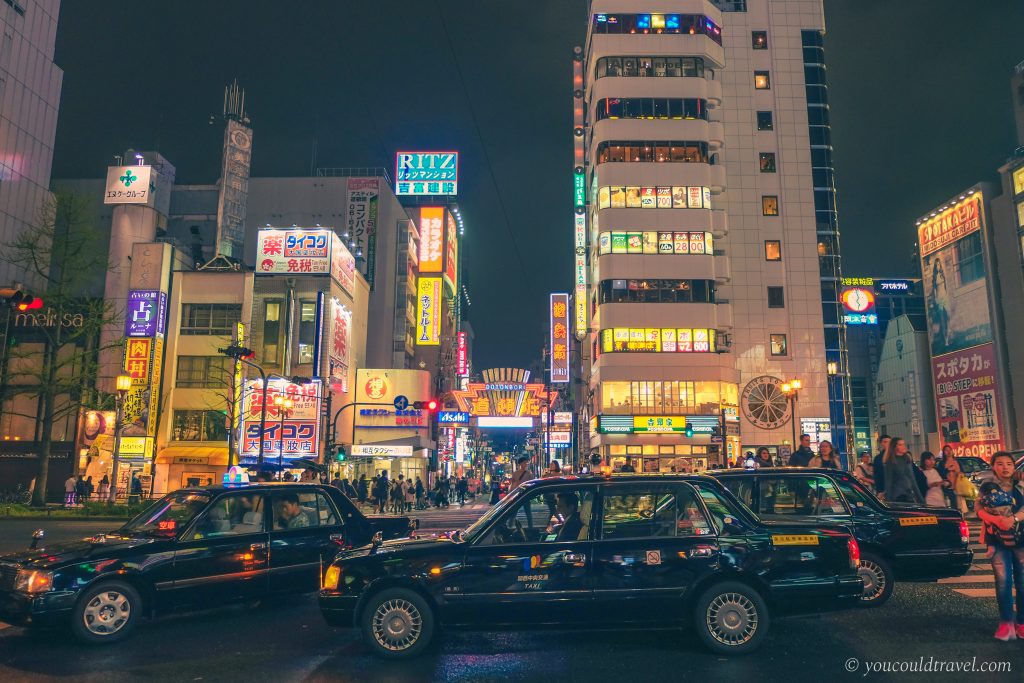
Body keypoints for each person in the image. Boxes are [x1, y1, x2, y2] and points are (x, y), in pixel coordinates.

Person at [973, 452, 1024, 641]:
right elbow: (978, 510)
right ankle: (1006, 623)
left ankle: (1022, 623)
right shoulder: (987, 487)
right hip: (997, 540)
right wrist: (995, 519)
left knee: (1022, 583)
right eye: (1000, 463)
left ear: (1013, 466)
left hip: (1022, 539)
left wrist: (1013, 519)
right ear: (993, 466)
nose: (1005, 467)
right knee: (1003, 583)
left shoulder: (1021, 485)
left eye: (1009, 464)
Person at [882, 438, 922, 504]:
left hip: (909, 494)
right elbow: (888, 482)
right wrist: (889, 502)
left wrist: (920, 498)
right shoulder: (890, 462)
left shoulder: (907, 459)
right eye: (900, 445)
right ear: (894, 447)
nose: (904, 446)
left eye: (903, 444)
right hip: (898, 496)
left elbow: (912, 479)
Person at [873, 435, 892, 499]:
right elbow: (877, 476)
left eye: (890, 442)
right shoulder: (878, 458)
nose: (888, 444)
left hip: (897, 489)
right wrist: (880, 491)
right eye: (886, 442)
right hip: (883, 489)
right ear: (881, 443)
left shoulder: (897, 456)